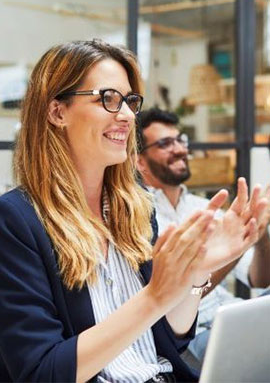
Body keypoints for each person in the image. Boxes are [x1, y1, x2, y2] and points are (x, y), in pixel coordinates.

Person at [0, 40, 266, 383]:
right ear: (57, 112)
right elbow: (42, 372)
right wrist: (154, 296)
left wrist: (198, 271)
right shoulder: (16, 221)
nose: (126, 115)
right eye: (107, 98)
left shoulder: (134, 205)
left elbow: (170, 338)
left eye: (130, 101)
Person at [136, 107, 270, 366]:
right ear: (140, 161)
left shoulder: (203, 207)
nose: (178, 149)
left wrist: (260, 233)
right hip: (189, 339)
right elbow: (171, 297)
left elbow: (259, 278)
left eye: (180, 140)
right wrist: (238, 244)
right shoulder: (139, 219)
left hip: (233, 315)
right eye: (165, 143)